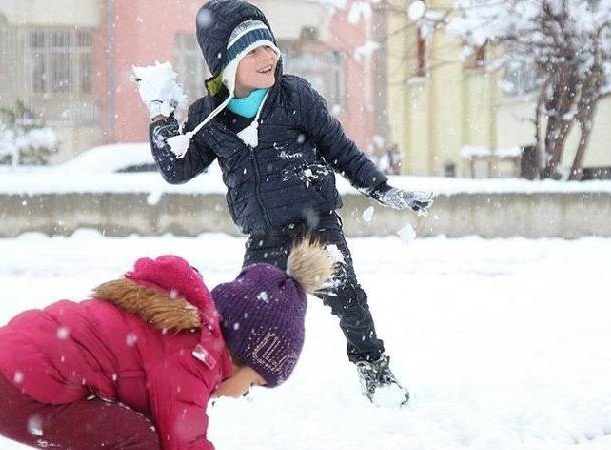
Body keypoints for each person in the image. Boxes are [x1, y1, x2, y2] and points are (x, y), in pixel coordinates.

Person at [138, 0, 433, 405]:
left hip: (316, 228)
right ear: (226, 63)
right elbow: (176, 167)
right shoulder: (209, 117)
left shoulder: (294, 96)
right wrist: (160, 116)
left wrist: (382, 189)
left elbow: (340, 150)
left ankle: (374, 369)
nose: (268, 57)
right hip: (263, 236)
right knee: (241, 317)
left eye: (270, 47)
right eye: (253, 51)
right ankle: (223, 378)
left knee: (349, 299)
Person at [0, 239, 332, 450]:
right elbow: (184, 441)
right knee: (136, 441)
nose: (245, 393)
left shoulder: (184, 333)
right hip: (15, 388)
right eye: (255, 382)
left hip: (4, 368)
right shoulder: (195, 356)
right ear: (241, 351)